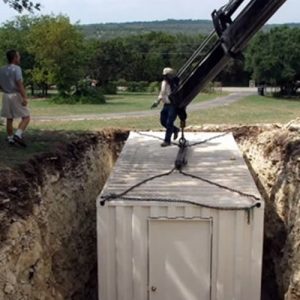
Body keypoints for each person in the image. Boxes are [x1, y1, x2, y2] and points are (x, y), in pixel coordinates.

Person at [0, 50, 30, 147]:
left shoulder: (2, 69)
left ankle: (10, 139)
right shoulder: (17, 69)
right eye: (18, 56)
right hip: (15, 95)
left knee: (9, 118)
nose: (19, 58)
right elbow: (19, 84)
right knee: (26, 117)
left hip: (5, 95)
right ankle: (18, 135)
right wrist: (25, 97)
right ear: (14, 58)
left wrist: (5, 88)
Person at [151, 67, 180, 147]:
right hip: (166, 105)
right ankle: (175, 130)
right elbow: (162, 93)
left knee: (169, 122)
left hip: (173, 105)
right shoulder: (165, 82)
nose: (171, 76)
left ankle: (167, 141)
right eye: (170, 75)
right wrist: (157, 102)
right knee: (163, 121)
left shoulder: (175, 82)